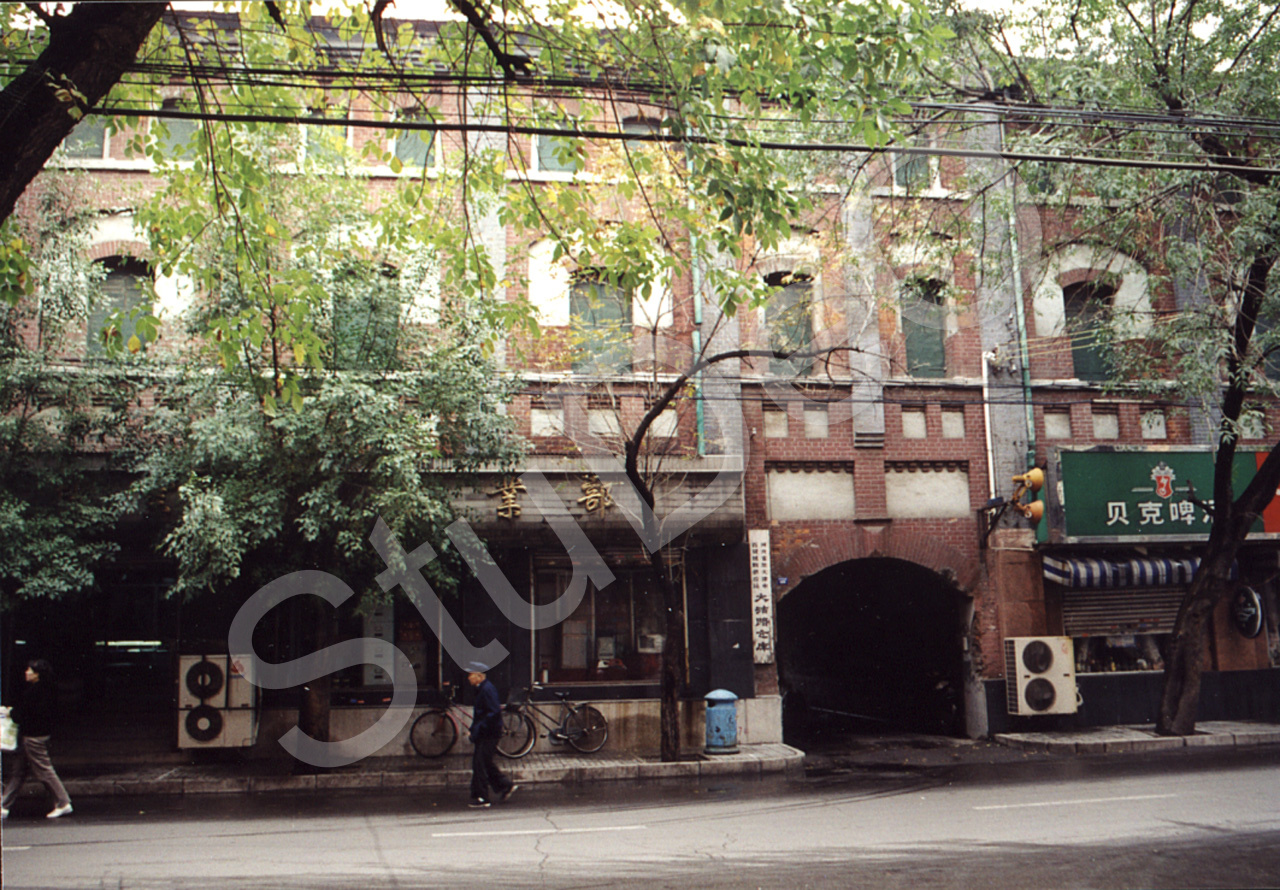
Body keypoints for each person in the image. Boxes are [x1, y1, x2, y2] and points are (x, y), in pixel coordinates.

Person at [2, 659, 73, 820]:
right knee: (19, 771)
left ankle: (63, 802)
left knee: (44, 770)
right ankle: (4, 805)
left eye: (30, 670)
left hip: (32, 736)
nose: (26, 672)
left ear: (37, 674)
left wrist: (11, 713)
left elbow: (23, 715)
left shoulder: (33, 692)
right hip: (38, 734)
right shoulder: (49, 690)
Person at [466, 664, 516, 808]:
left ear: (479, 676)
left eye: (471, 675)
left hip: (489, 733)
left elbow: (493, 712)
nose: (469, 678)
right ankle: (505, 785)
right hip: (486, 731)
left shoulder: (487, 689)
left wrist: (478, 729)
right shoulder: (482, 688)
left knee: (480, 763)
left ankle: (482, 797)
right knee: (485, 762)